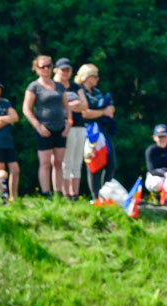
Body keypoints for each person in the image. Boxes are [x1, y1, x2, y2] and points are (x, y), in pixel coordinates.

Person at [23, 54, 71, 196]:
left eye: (48, 66)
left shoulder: (59, 86)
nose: (46, 69)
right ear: (36, 68)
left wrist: (69, 123)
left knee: (59, 162)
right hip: (44, 128)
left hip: (60, 127)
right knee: (45, 163)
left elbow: (66, 106)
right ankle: (46, 192)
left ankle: (58, 192)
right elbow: (26, 109)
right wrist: (38, 126)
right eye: (42, 66)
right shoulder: (34, 86)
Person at [75, 63, 117, 200]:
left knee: (111, 163)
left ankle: (106, 194)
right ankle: (96, 197)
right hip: (90, 132)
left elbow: (110, 108)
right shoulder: (79, 91)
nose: (97, 79)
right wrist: (103, 112)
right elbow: (85, 113)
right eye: (95, 76)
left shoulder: (97, 92)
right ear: (87, 77)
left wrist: (106, 110)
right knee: (94, 164)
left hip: (103, 130)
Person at [53, 58, 88, 198]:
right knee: (66, 161)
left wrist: (68, 106)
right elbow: (57, 107)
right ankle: (66, 192)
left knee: (77, 161)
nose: (66, 72)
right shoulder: (54, 86)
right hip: (65, 127)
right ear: (56, 70)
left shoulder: (75, 87)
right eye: (63, 70)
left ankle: (75, 193)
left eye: (68, 70)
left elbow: (84, 105)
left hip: (80, 126)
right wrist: (73, 105)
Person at [144, 124, 167, 200]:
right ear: (154, 137)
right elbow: (151, 170)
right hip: (156, 176)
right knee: (156, 183)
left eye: (164, 136)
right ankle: (156, 196)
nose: (162, 139)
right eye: (160, 137)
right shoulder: (151, 150)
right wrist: (164, 174)